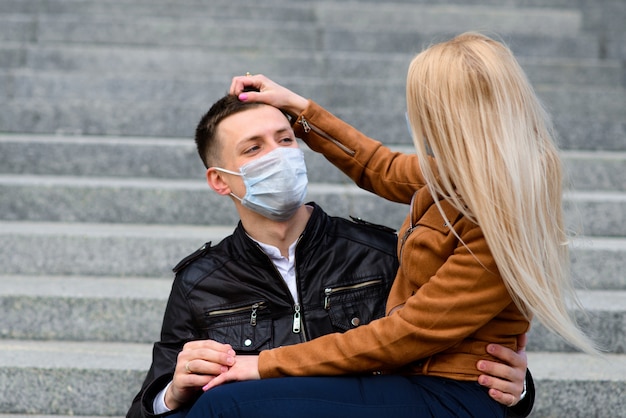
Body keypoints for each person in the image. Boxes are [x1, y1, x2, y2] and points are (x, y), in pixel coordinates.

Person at [182, 32, 600, 417]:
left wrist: (265, 364)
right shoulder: (466, 177)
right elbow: (380, 168)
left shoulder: (503, 209)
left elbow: (409, 331)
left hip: (450, 394)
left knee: (226, 407)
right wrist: (303, 113)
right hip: (418, 382)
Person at [127, 88, 534, 417]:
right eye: (253, 149)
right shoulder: (200, 283)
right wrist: (171, 396)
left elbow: (442, 342)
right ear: (220, 180)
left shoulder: (379, 253)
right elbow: (146, 407)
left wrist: (518, 388)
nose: (277, 155)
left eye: (285, 139)